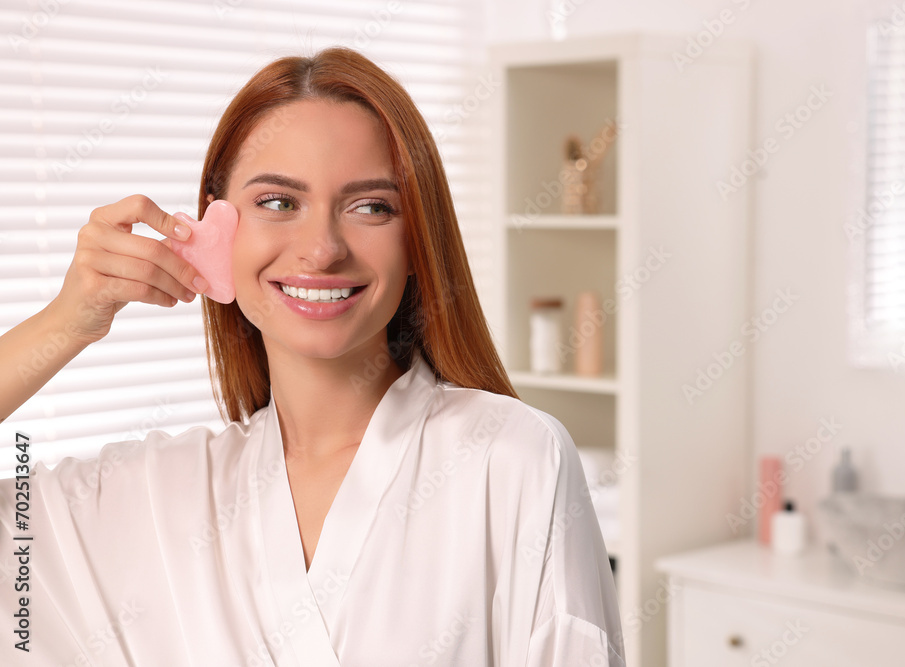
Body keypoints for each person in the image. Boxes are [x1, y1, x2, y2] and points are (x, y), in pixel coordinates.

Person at [0, 47, 625, 665]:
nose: (322, 249)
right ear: (212, 232)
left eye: (371, 206)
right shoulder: (154, 501)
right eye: (278, 202)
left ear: (416, 241)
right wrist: (67, 322)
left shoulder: (512, 457)